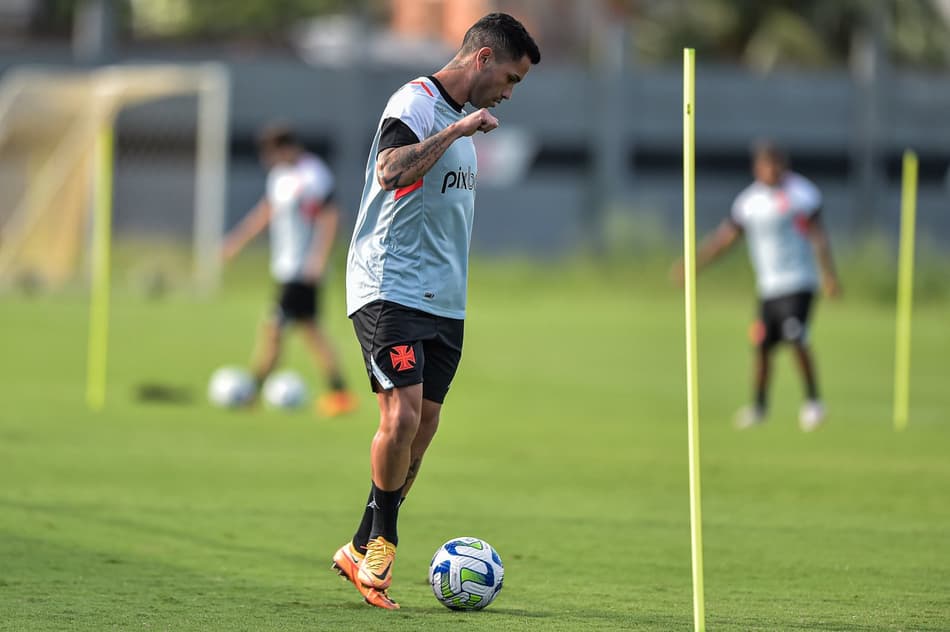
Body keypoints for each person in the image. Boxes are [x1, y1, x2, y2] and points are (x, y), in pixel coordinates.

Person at [330, 13, 540, 610]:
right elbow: (390, 171)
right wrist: (457, 131)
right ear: (482, 58)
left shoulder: (466, 124)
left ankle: (358, 544)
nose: (508, 91)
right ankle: (385, 544)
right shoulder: (417, 102)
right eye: (510, 77)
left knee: (421, 431)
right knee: (399, 419)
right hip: (388, 284)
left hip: (445, 301)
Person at [675, 140, 841, 432]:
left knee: (795, 336)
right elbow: (724, 240)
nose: (772, 170)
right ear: (757, 167)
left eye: (776, 164)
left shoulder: (801, 194)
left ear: (784, 165)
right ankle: (759, 407)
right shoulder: (749, 202)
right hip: (768, 285)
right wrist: (693, 266)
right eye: (766, 164)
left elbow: (819, 235)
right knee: (762, 345)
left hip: (800, 281)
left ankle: (813, 403)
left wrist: (828, 274)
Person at [222, 124, 357, 417]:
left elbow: (331, 216)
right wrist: (236, 242)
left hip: (302, 270)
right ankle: (341, 393)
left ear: (285, 148)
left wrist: (317, 260)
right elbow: (266, 212)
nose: (268, 161)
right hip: (285, 267)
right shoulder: (279, 177)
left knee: (274, 329)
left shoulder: (313, 175)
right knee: (311, 331)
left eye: (271, 154)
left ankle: (252, 392)